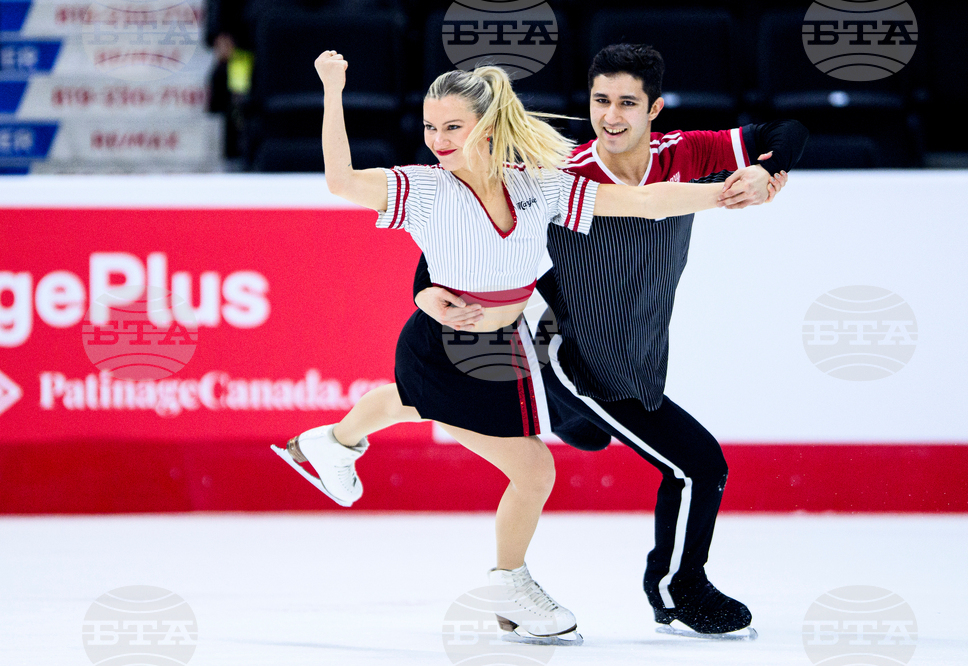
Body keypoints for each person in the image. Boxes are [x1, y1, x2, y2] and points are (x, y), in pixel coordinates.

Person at [272, 49, 733, 646]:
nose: (438, 139)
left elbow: (641, 202)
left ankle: (329, 442)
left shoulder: (537, 186)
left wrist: (722, 196)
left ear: (486, 128)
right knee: (533, 467)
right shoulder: (426, 191)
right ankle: (508, 585)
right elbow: (340, 181)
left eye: (453, 126)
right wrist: (333, 90)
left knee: (408, 404)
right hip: (444, 347)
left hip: (498, 347)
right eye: (430, 126)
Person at [414, 44, 809, 641]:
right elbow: (462, 233)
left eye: (628, 102)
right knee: (698, 466)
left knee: (594, 440)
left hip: (641, 360)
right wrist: (424, 289)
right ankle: (678, 589)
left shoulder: (686, 154)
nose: (612, 115)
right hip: (577, 360)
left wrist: (768, 169)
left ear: (654, 109)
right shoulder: (563, 176)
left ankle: (366, 425)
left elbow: (788, 129)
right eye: (601, 100)